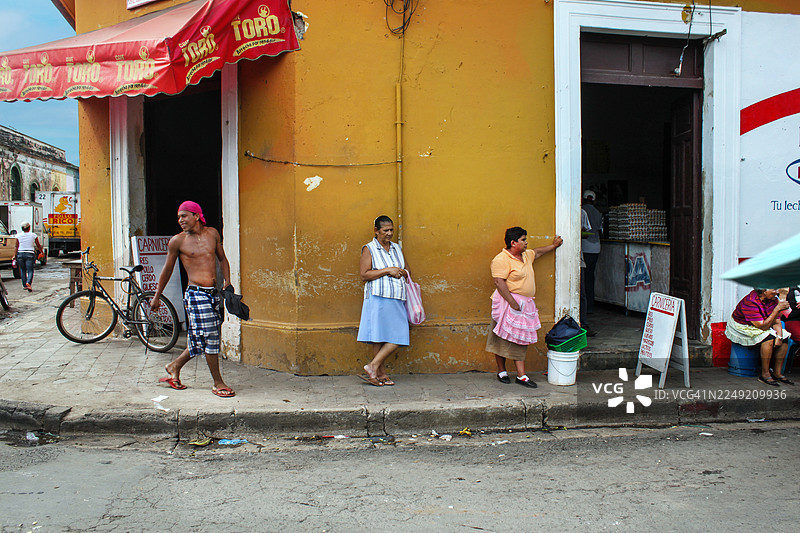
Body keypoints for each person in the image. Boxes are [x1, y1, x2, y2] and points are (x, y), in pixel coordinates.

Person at [150, 201, 236, 398]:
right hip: (196, 294)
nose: (180, 220)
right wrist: (156, 297)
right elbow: (167, 269)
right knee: (211, 337)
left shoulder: (213, 233)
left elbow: (222, 258)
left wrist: (227, 282)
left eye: (184, 216)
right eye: (179, 217)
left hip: (213, 294)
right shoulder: (177, 241)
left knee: (198, 339)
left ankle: (174, 367)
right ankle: (218, 382)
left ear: (196, 215)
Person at [487, 226, 563, 388]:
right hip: (507, 304)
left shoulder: (526, 255)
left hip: (524, 305)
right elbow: (499, 282)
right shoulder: (501, 259)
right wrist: (512, 303)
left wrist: (554, 246)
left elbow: (539, 252)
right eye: (523, 240)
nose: (526, 243)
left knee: (520, 339)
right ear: (513, 243)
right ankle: (502, 371)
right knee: (501, 338)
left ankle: (521, 375)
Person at [357, 215, 409, 387]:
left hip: (397, 295)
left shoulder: (396, 248)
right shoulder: (369, 249)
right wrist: (388, 270)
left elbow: (406, 269)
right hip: (379, 296)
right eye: (385, 230)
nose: (389, 233)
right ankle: (379, 372)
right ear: (376, 231)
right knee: (379, 336)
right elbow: (364, 274)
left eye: (391, 230)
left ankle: (373, 367)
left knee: (398, 333)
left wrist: (402, 272)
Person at [725, 289, 793, 386]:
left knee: (785, 338)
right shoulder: (750, 302)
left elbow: (776, 320)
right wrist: (777, 309)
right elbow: (762, 327)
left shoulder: (772, 299)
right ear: (764, 291)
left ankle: (777, 373)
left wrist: (779, 336)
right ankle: (765, 374)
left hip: (762, 322)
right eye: (774, 289)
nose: (776, 292)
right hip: (743, 326)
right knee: (768, 338)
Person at [581, 190, 602, 314]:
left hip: (585, 248)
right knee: (590, 277)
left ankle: (585, 307)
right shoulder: (598, 213)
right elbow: (599, 230)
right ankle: (590, 305)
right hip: (596, 248)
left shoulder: (581, 211)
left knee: (584, 279)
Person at [13, 222, 43, 292]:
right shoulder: (33, 235)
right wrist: (41, 252)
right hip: (30, 254)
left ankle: (25, 285)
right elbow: (38, 245)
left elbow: (16, 246)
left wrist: (14, 255)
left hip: (20, 254)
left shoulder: (18, 236)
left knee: (23, 270)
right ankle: (28, 283)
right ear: (29, 228)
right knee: (30, 270)